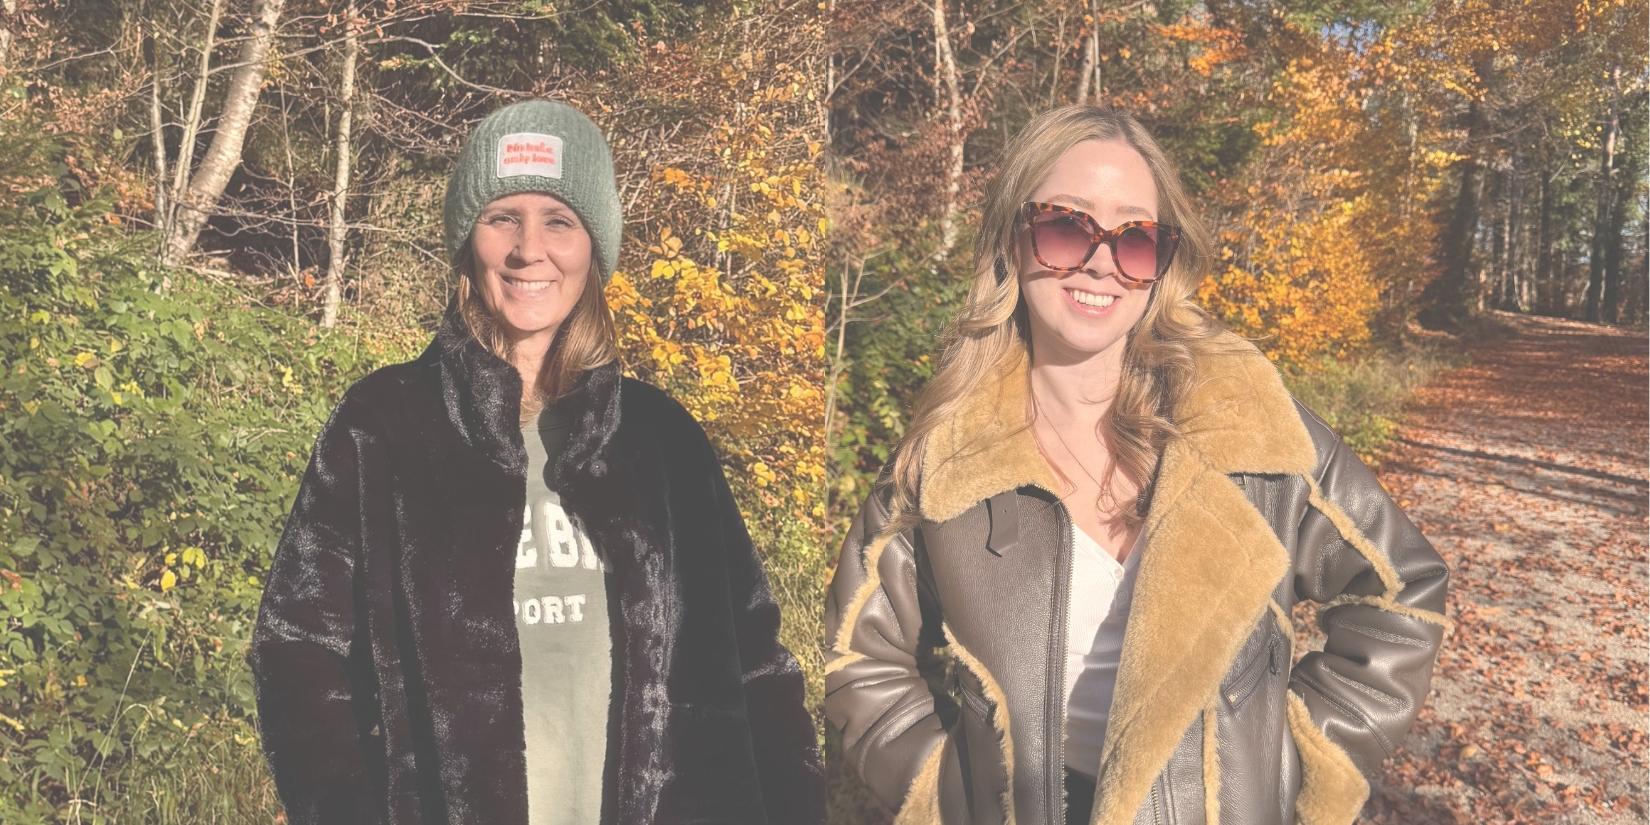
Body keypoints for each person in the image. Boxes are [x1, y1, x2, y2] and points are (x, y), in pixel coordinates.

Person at [822, 105, 1451, 825]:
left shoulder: (1246, 427)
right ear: (1012, 236)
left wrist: (1299, 763)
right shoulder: (949, 454)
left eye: (1136, 239)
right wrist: (942, 796)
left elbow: (1403, 590)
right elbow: (857, 657)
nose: (1101, 261)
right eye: (1066, 225)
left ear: (1162, 264)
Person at [249, 99, 824, 825]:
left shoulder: (663, 440)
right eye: (502, 218)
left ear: (594, 244)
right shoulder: (384, 425)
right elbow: (298, 652)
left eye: (559, 219)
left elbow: (758, 668)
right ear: (468, 239)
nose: (530, 249)